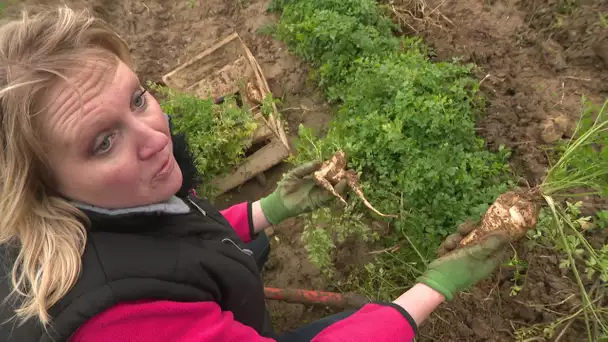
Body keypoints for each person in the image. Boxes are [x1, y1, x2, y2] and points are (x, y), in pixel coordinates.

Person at [0, 7, 509, 342]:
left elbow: (165, 236)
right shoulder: (123, 321)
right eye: (104, 142)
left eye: (138, 98)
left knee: (254, 248)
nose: (156, 136)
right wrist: (431, 287)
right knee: (372, 321)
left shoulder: (108, 201)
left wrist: (272, 208)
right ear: (41, 186)